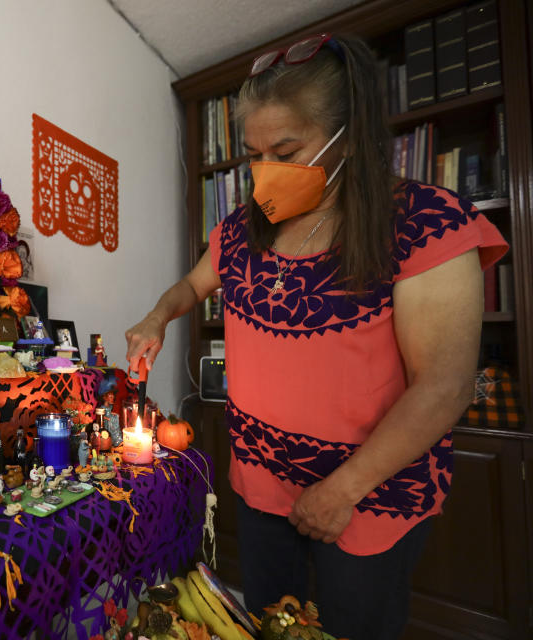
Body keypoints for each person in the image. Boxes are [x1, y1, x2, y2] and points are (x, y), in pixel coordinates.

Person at [124, 34, 507, 640]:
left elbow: (445, 386)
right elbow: (191, 288)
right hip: (260, 485)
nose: (262, 171)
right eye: (252, 153)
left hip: (366, 495)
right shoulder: (240, 230)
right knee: (269, 622)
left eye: (284, 149)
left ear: (347, 136)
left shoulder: (425, 223)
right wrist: (155, 317)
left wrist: (342, 490)